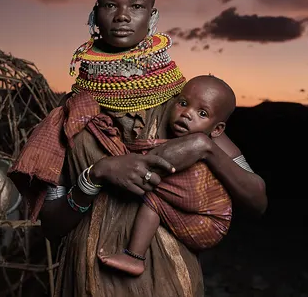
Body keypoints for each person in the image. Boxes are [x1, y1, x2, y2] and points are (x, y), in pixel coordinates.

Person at [8, 0, 267, 297]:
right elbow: (52, 226)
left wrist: (204, 148)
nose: (123, 17)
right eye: (110, 5)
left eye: (137, 6)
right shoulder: (69, 115)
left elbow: (256, 199)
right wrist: (96, 175)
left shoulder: (183, 106)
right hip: (88, 280)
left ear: (153, 17)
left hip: (168, 281)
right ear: (94, 14)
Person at [100, 75, 237, 276]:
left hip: (210, 223)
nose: (187, 114)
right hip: (206, 220)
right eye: (183, 103)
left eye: (202, 113)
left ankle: (135, 257)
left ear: (217, 129)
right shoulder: (179, 140)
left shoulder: (199, 153)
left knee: (151, 194)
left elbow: (142, 155)